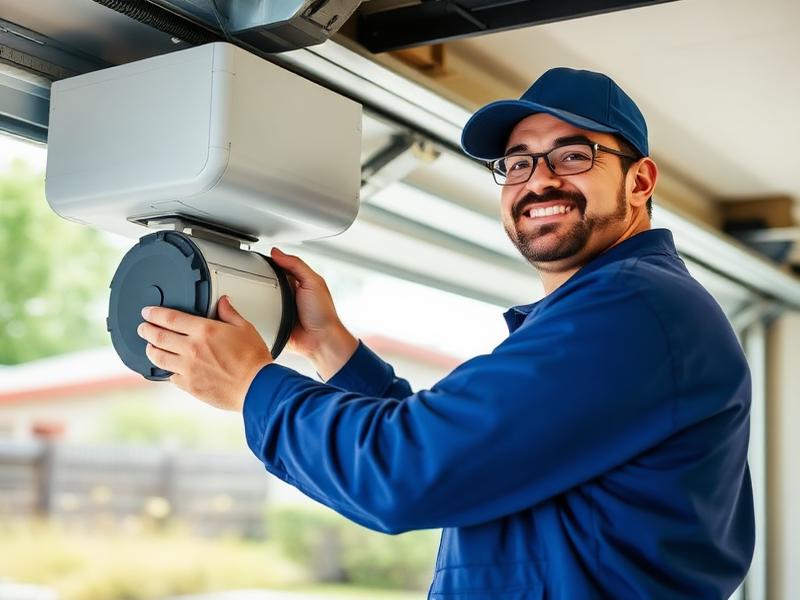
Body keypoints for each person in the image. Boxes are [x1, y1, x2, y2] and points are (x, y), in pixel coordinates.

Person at [137, 67, 755, 598]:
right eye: (517, 163)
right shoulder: (624, 311)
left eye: (573, 156)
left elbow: (406, 472)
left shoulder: (632, 310)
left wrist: (250, 387)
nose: (539, 181)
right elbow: (460, 456)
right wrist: (331, 346)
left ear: (640, 182)